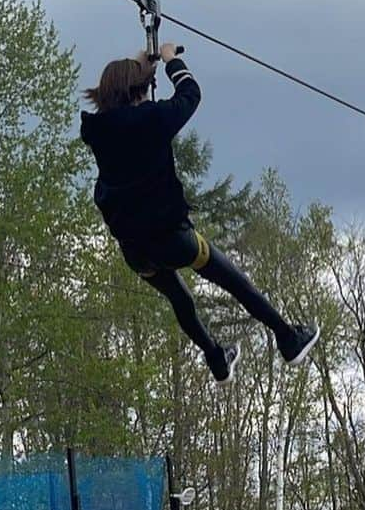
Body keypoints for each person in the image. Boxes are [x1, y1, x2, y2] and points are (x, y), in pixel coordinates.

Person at [80, 41, 318, 385]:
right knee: (234, 281)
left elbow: (123, 103)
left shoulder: (98, 131)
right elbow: (190, 94)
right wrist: (170, 61)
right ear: (138, 92)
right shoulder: (153, 119)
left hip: (135, 250)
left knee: (180, 298)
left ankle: (216, 358)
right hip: (172, 239)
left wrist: (140, 63)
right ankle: (287, 338)